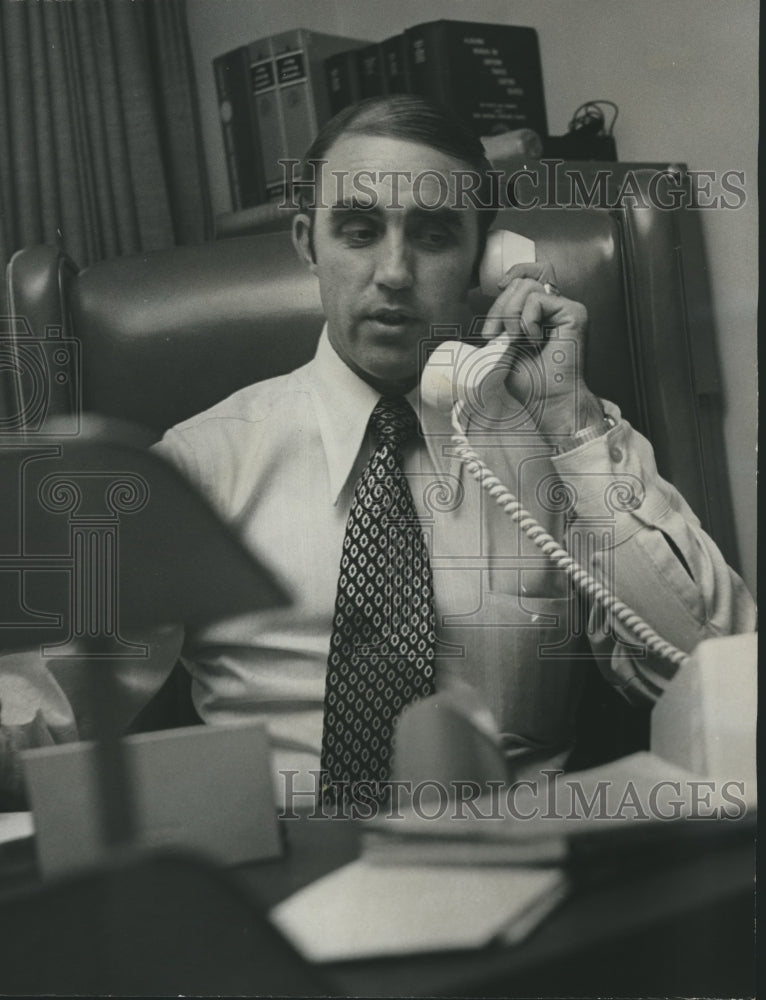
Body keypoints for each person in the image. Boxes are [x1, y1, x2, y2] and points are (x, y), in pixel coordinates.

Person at [0, 96, 755, 807]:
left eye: (432, 235)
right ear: (309, 244)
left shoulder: (562, 442)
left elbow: (716, 679)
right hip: (282, 883)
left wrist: (573, 423)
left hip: (516, 874)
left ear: (486, 259)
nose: (393, 272)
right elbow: (43, 718)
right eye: (359, 230)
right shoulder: (197, 465)